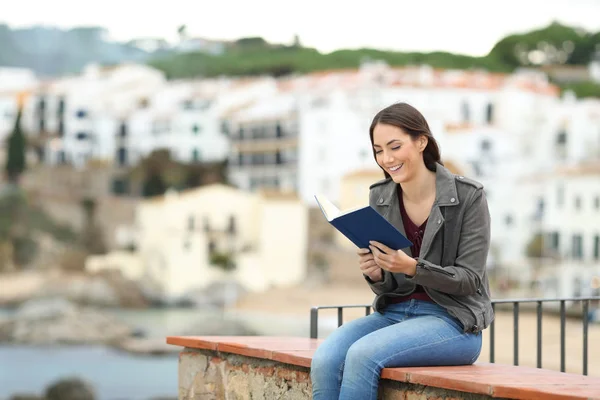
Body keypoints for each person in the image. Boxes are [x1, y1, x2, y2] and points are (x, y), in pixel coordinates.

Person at [310, 102, 494, 400]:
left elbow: (469, 279)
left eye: (394, 146)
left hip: (454, 321)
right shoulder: (380, 196)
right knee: (326, 357)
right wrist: (377, 273)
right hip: (394, 315)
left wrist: (411, 267)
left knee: (362, 355)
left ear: (421, 141)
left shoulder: (468, 197)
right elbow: (389, 283)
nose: (387, 158)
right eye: (379, 150)